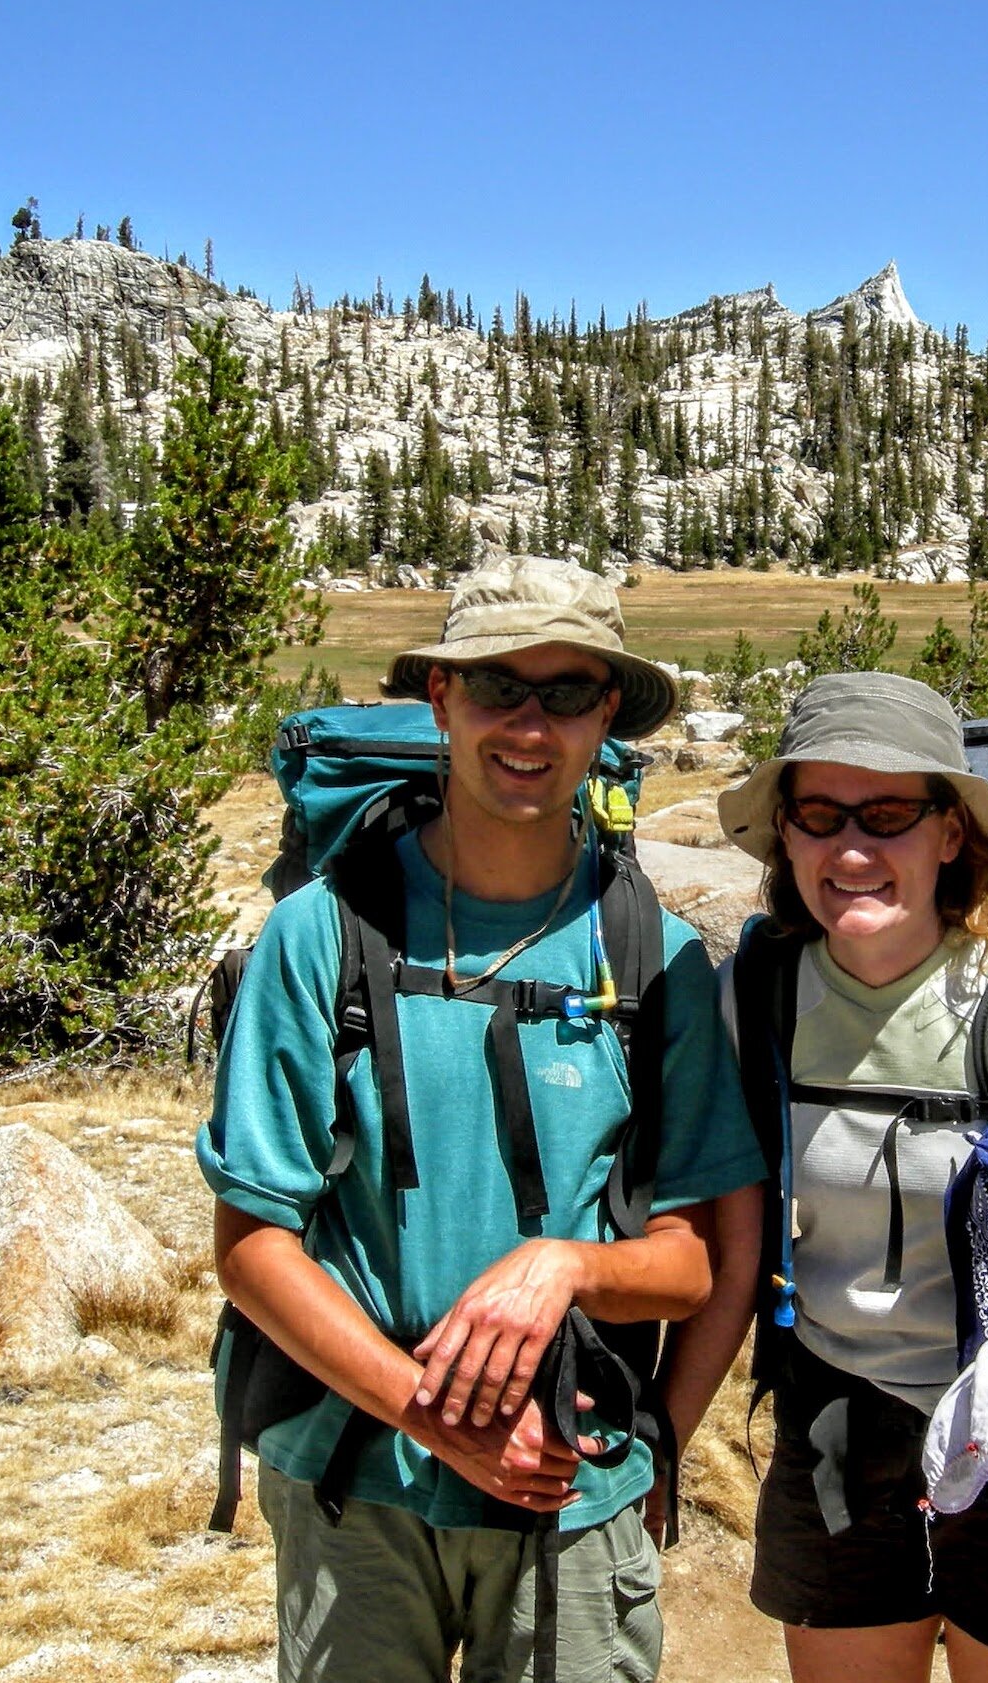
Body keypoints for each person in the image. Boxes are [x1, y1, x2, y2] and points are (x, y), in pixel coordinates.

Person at [199, 555, 765, 1683]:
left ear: (606, 714)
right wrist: (431, 1416)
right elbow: (252, 1248)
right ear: (441, 701)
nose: (529, 723)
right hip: (353, 1472)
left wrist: (569, 1278)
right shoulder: (324, 934)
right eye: (499, 685)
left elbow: (703, 1261)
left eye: (565, 694)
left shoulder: (651, 958)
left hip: (572, 1474)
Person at [701, 671, 988, 1683]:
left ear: (952, 834)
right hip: (837, 1420)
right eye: (818, 816)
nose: (851, 849)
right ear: (783, 836)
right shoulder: (756, 995)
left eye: (888, 816)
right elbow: (727, 1243)